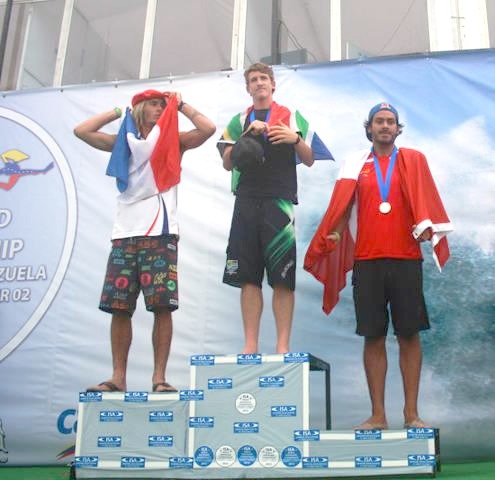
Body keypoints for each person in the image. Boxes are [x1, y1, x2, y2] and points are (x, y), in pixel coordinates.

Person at [304, 102, 453, 429]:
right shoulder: (356, 164)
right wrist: (331, 235)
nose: (385, 126)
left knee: (409, 335)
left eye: (390, 121)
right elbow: (342, 208)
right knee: (372, 336)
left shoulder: (413, 160)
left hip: (406, 260)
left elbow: (427, 201)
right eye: (379, 121)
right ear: (369, 128)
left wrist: (430, 230)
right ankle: (378, 415)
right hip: (367, 261)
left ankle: (411, 415)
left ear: (398, 129)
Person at [74, 89, 216, 392]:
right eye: (154, 104)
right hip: (124, 235)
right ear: (140, 108)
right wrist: (118, 112)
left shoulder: (172, 141)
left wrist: (181, 104)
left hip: (160, 235)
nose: (160, 109)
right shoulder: (123, 142)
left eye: (163, 105)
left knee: (162, 306)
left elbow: (208, 129)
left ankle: (159, 378)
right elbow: (81, 131)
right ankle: (118, 378)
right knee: (119, 307)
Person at [217, 63, 332, 354]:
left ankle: (282, 346)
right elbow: (227, 163)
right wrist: (247, 135)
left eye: (263, 79)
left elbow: (309, 159)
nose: (259, 83)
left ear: (273, 84)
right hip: (246, 200)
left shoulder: (290, 115)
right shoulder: (238, 119)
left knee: (283, 277)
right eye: (253, 80)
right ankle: (250, 345)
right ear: (248, 88)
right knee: (248, 277)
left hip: (279, 202)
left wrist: (295, 139)